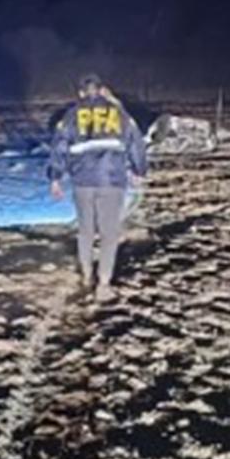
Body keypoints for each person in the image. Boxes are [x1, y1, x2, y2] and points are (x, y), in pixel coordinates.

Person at [48, 73, 149, 302]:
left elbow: (59, 147)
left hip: (82, 181)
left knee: (85, 231)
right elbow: (136, 143)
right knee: (109, 233)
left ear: (80, 93)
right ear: (102, 90)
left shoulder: (71, 116)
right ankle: (104, 282)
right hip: (112, 181)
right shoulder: (120, 114)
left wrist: (55, 177)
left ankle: (86, 276)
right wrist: (139, 171)